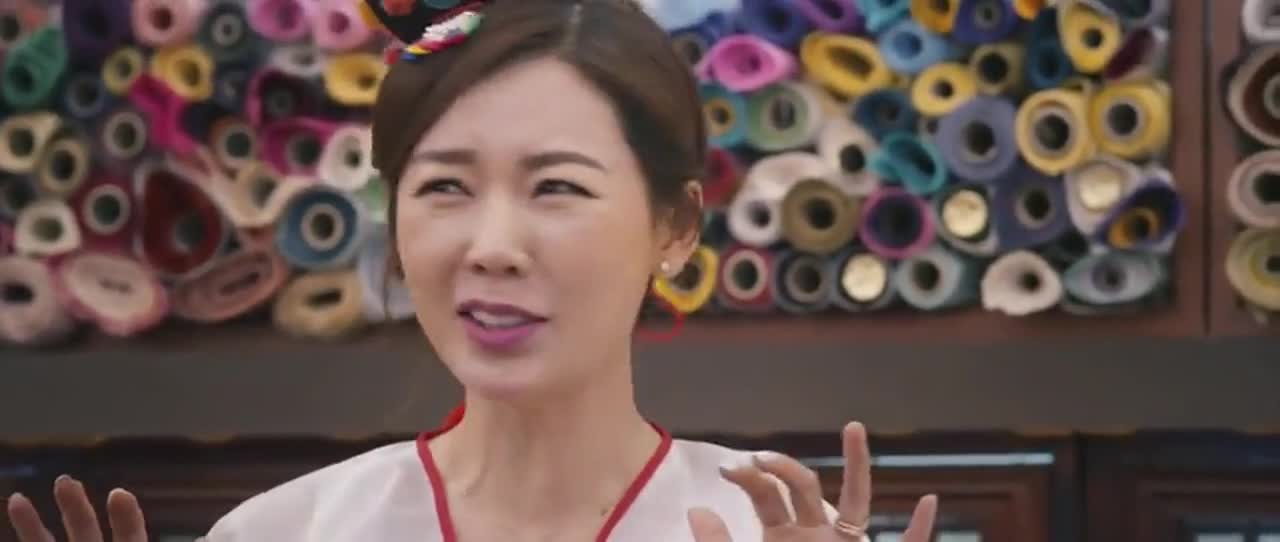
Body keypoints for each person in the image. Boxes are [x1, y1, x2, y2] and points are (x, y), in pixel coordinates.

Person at [5, 1, 939, 540]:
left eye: (557, 187)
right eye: (446, 186)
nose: (492, 244)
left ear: (677, 226)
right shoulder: (289, 532)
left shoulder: (761, 527)